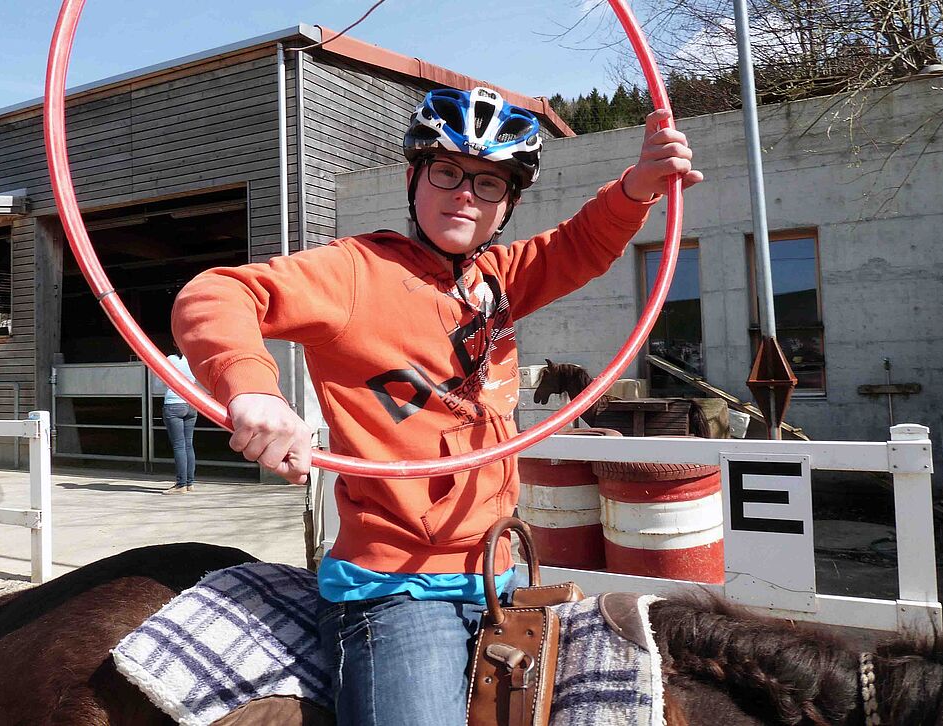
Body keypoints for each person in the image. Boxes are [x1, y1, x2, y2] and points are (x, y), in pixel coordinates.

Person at [172, 86, 702, 725]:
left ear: (507, 204)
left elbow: (578, 246)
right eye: (447, 171)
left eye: (488, 183)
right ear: (412, 176)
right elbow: (218, 292)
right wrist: (253, 391)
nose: (464, 195)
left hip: (501, 571)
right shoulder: (355, 272)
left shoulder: (496, 281)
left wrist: (640, 185)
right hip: (398, 590)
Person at [161, 348, 198, 494]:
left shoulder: (170, 359)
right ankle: (190, 483)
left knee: (179, 446)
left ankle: (181, 484)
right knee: (188, 444)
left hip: (174, 404)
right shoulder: (193, 358)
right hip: (191, 403)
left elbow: (160, 382)